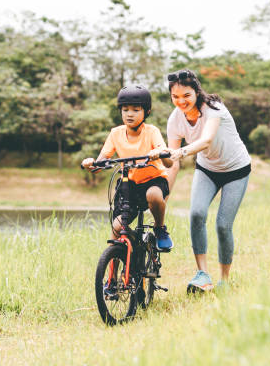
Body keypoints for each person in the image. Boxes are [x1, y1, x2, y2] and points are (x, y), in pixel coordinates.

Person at [156, 69, 251, 293]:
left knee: (223, 225)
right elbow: (173, 161)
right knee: (196, 214)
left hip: (236, 169)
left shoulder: (214, 109)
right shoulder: (175, 120)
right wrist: (163, 196)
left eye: (186, 95)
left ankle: (224, 281)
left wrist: (179, 153)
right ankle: (203, 275)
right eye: (175, 97)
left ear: (196, 92)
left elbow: (206, 140)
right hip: (207, 169)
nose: (181, 101)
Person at [81, 85, 174, 254]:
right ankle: (111, 277)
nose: (129, 114)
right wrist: (91, 164)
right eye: (125, 110)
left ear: (146, 112)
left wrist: (159, 152)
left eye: (136, 110)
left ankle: (160, 228)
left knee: (153, 195)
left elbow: (168, 162)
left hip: (154, 181)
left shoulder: (151, 131)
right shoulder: (115, 133)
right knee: (117, 229)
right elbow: (101, 162)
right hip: (129, 184)